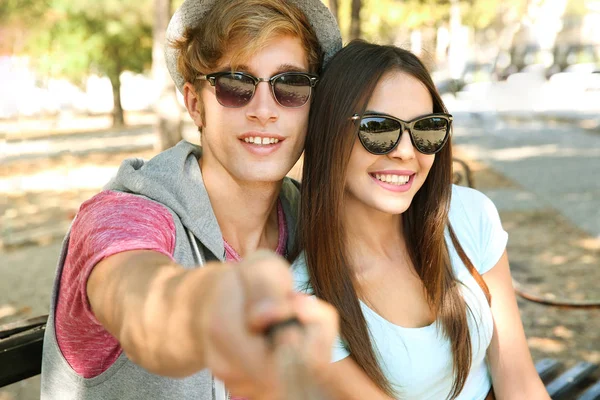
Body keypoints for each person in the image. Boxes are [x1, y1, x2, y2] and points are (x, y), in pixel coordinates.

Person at [40, 1, 343, 399]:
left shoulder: (309, 218)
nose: (265, 111)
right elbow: (143, 303)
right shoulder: (122, 217)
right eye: (236, 85)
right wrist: (211, 312)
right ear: (195, 103)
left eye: (290, 85)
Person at [292, 40, 551, 400]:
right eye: (378, 128)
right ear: (330, 132)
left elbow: (519, 381)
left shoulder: (468, 215)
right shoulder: (308, 300)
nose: (405, 152)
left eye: (426, 129)